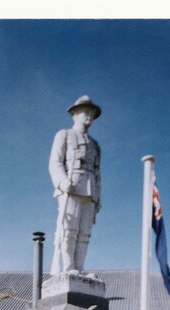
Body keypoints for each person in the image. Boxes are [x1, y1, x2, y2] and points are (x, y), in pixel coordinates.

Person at [48, 96, 101, 274]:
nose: (89, 116)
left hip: (90, 189)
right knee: (69, 229)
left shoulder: (95, 145)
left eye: (92, 113)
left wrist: (98, 197)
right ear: (75, 115)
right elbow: (55, 162)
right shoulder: (64, 135)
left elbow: (97, 173)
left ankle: (79, 266)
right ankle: (68, 266)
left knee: (85, 232)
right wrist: (62, 182)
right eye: (85, 112)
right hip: (71, 187)